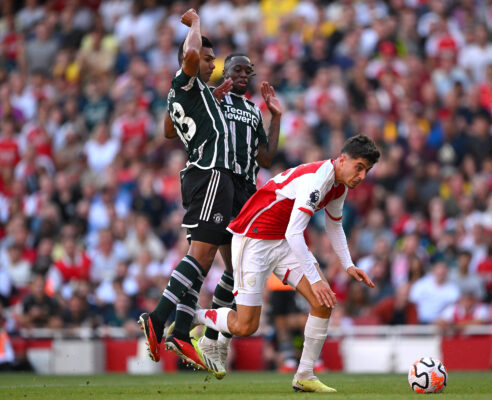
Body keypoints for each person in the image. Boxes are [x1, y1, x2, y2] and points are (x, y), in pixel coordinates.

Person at [189, 135, 379, 392]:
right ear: (342, 160)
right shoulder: (318, 180)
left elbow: (334, 225)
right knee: (246, 326)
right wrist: (315, 279)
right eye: (359, 167)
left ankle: (304, 375)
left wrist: (348, 265)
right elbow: (294, 233)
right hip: (253, 238)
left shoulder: (338, 185)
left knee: (323, 303)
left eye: (367, 171)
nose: (362, 175)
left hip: (282, 240)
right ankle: (193, 316)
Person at [138, 8, 236, 369]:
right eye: (209, 59)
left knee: (205, 258)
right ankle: (159, 318)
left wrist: (211, 98)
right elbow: (191, 55)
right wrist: (195, 24)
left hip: (204, 177)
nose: (212, 64)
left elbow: (168, 130)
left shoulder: (183, 92)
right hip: (210, 174)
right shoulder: (186, 77)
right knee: (199, 256)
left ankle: (180, 331)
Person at [196, 53, 282, 378]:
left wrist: (276, 117)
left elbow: (267, 155)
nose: (243, 75)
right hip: (222, 183)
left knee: (238, 270)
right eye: (237, 69)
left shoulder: (253, 111)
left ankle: (211, 336)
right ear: (225, 71)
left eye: (248, 71)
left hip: (248, 191)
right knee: (232, 266)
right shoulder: (214, 100)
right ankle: (204, 331)